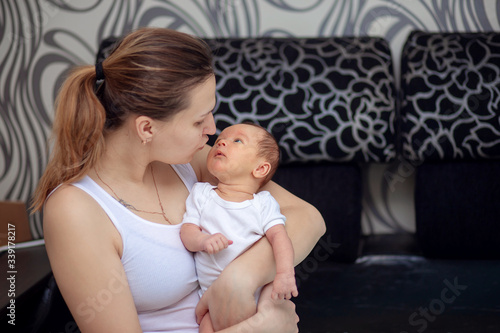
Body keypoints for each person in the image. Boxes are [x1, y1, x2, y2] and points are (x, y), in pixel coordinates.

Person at [32, 27, 325, 333]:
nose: (213, 130)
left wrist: (241, 278)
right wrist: (260, 328)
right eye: (199, 120)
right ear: (147, 129)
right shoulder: (75, 210)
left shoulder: (187, 161)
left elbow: (309, 218)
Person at [181, 123, 298, 330]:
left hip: (258, 293)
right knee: (206, 326)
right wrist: (202, 240)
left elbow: (280, 238)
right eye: (219, 141)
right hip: (211, 298)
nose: (222, 141)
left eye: (237, 141)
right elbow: (187, 231)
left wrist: (285, 274)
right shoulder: (202, 194)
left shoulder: (262, 204)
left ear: (260, 168)